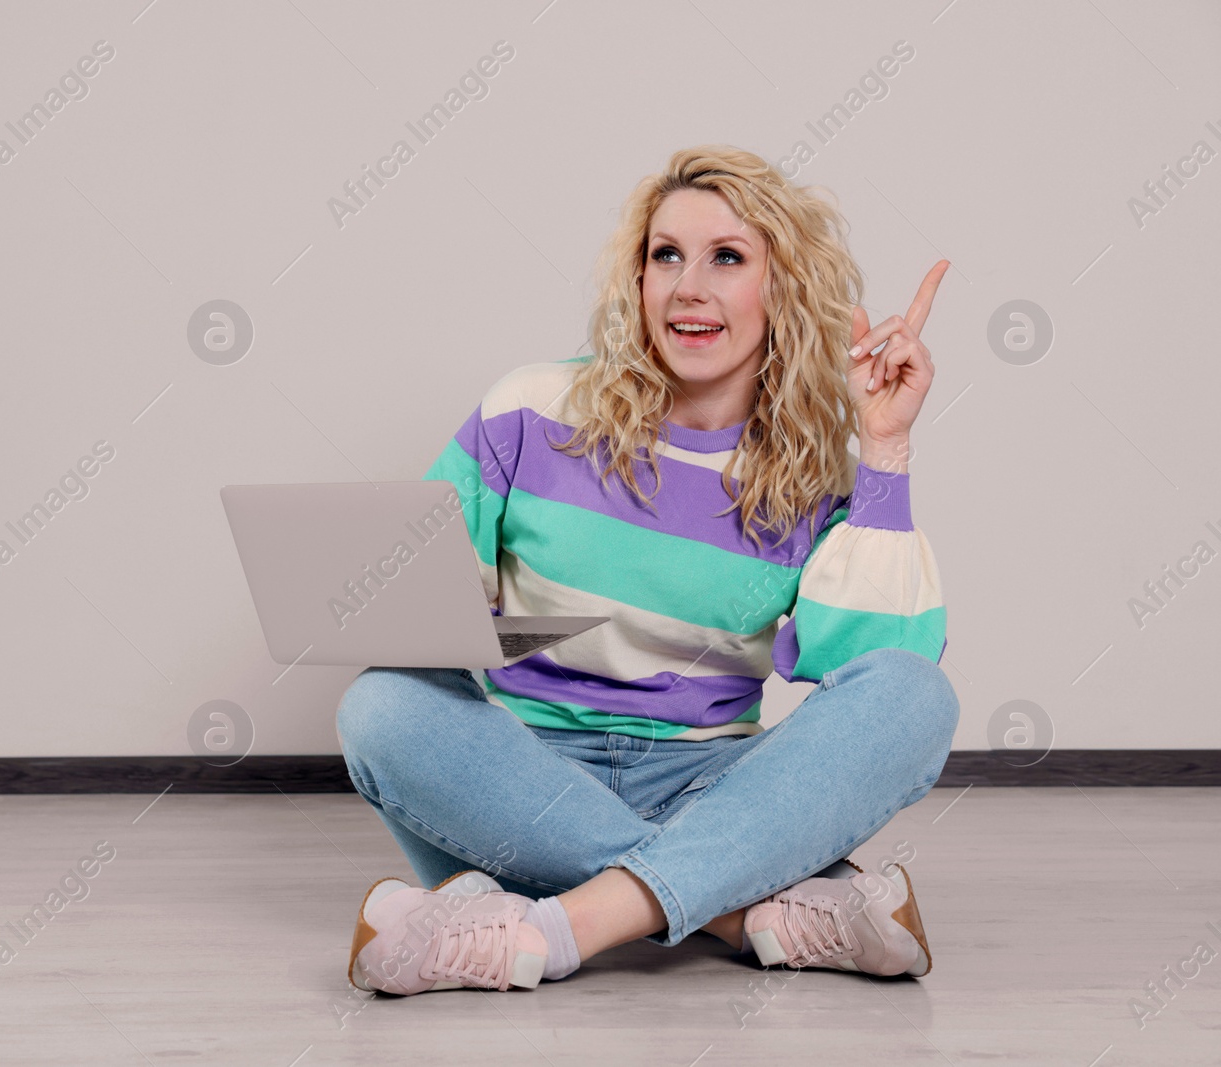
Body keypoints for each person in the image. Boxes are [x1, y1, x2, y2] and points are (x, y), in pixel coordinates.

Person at [335, 145, 959, 996]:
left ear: (783, 290)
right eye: (665, 255)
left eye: (727, 258)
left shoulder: (814, 474)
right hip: (525, 776)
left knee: (916, 695)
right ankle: (750, 908)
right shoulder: (530, 409)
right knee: (380, 704)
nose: (687, 286)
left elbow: (878, 662)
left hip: (716, 781)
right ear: (636, 281)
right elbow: (422, 616)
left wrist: (884, 446)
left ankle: (552, 928)